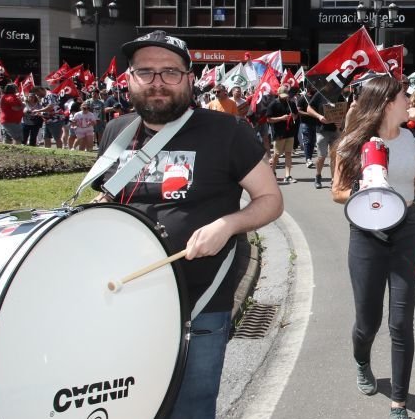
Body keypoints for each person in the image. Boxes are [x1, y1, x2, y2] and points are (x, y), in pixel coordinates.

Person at [90, 30, 284, 418]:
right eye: (145, 72)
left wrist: (228, 224)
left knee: (192, 408)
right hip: (128, 297)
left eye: (170, 72)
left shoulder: (227, 132)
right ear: (128, 79)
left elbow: (271, 200)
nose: (157, 82)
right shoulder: (116, 133)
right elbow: (110, 197)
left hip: (200, 303)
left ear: (189, 79)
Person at [330, 75, 415, 419]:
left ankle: (399, 402)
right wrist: (367, 190)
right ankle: (362, 361)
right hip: (367, 234)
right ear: (386, 102)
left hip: (407, 230)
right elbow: (337, 192)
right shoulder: (354, 141)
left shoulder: (409, 138)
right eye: (403, 96)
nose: (409, 100)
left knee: (401, 323)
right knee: (368, 322)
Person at [268, 83, 300, 184]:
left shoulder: (291, 103)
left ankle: (288, 175)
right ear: (278, 94)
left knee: (288, 154)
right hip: (279, 133)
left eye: (286, 96)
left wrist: (293, 117)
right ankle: (272, 172)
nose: (285, 98)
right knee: (277, 154)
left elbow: (296, 115)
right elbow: (269, 119)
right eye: (283, 96)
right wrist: (281, 118)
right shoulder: (273, 104)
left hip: (290, 132)